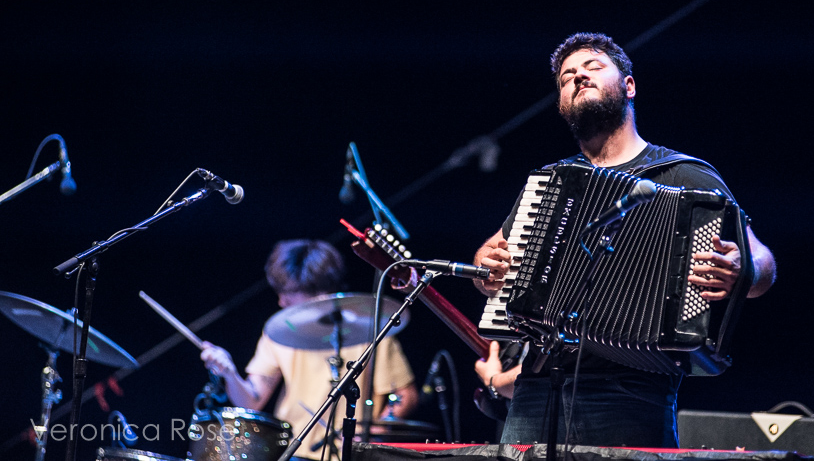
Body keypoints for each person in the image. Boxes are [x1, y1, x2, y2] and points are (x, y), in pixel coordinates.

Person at [473, 32, 777, 447]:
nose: (578, 76)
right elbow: (490, 260)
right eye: (566, 77)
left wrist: (742, 270)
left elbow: (761, 260)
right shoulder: (551, 182)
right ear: (562, 102)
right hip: (538, 386)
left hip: (633, 390)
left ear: (629, 86)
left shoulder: (684, 175)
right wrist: (486, 268)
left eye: (592, 68)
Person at [201, 239, 419, 460]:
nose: (280, 301)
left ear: (314, 291)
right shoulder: (279, 330)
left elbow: (405, 395)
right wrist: (229, 372)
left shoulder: (369, 329)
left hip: (349, 456)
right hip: (292, 453)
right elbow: (251, 401)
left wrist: (374, 435)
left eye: (287, 292)